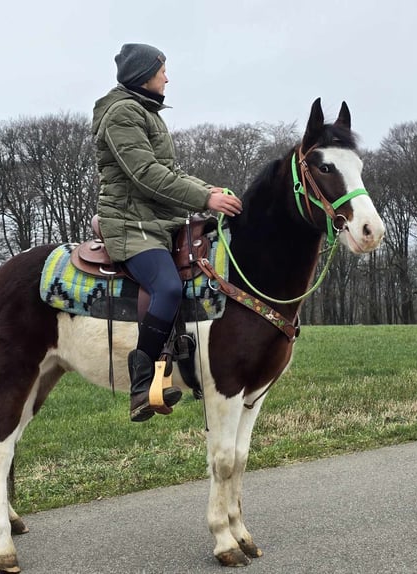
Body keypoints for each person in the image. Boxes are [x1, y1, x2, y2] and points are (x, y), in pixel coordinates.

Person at [92, 43, 242, 422]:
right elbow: (145, 176)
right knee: (168, 287)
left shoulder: (146, 112)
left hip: (157, 222)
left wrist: (211, 191)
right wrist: (205, 199)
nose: (167, 76)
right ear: (144, 74)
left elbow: (171, 173)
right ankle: (142, 382)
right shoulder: (122, 114)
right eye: (162, 70)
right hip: (132, 225)